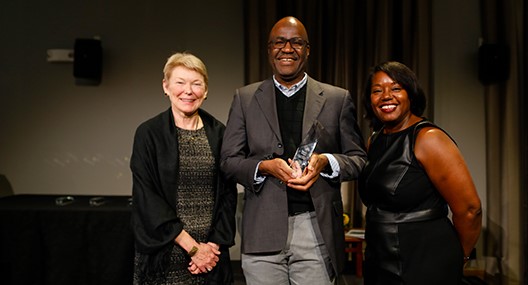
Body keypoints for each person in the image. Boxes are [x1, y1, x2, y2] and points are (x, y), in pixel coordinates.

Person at [220, 16, 367, 284]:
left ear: (307, 50)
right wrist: (263, 167)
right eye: (279, 42)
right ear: (269, 49)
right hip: (262, 230)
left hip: (316, 229)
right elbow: (228, 161)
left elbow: (358, 160)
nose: (287, 49)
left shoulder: (337, 98)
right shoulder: (245, 98)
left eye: (296, 42)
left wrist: (326, 161)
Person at [358, 61, 483, 284]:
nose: (386, 96)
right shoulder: (374, 140)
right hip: (378, 259)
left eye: (396, 88)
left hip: (426, 260)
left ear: (411, 94)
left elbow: (470, 210)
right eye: (377, 90)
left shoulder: (429, 139)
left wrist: (458, 256)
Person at [130, 52, 237, 285]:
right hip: (165, 255)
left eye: (196, 84)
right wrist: (192, 248)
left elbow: (228, 195)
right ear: (165, 86)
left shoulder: (221, 134)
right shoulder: (148, 134)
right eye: (180, 82)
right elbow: (147, 198)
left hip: (211, 258)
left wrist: (210, 249)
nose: (188, 91)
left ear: (206, 91)